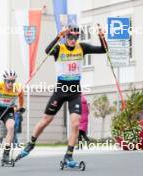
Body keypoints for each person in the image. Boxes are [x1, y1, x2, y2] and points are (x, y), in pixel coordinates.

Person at [15, 24, 106, 165]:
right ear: (66, 37)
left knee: (76, 124)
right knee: (46, 120)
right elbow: (47, 51)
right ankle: (31, 143)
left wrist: (101, 37)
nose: (73, 39)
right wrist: (59, 36)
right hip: (60, 90)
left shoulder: (82, 47)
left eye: (76, 37)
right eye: (70, 36)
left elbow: (104, 50)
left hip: (75, 92)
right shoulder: (59, 48)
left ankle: (68, 156)